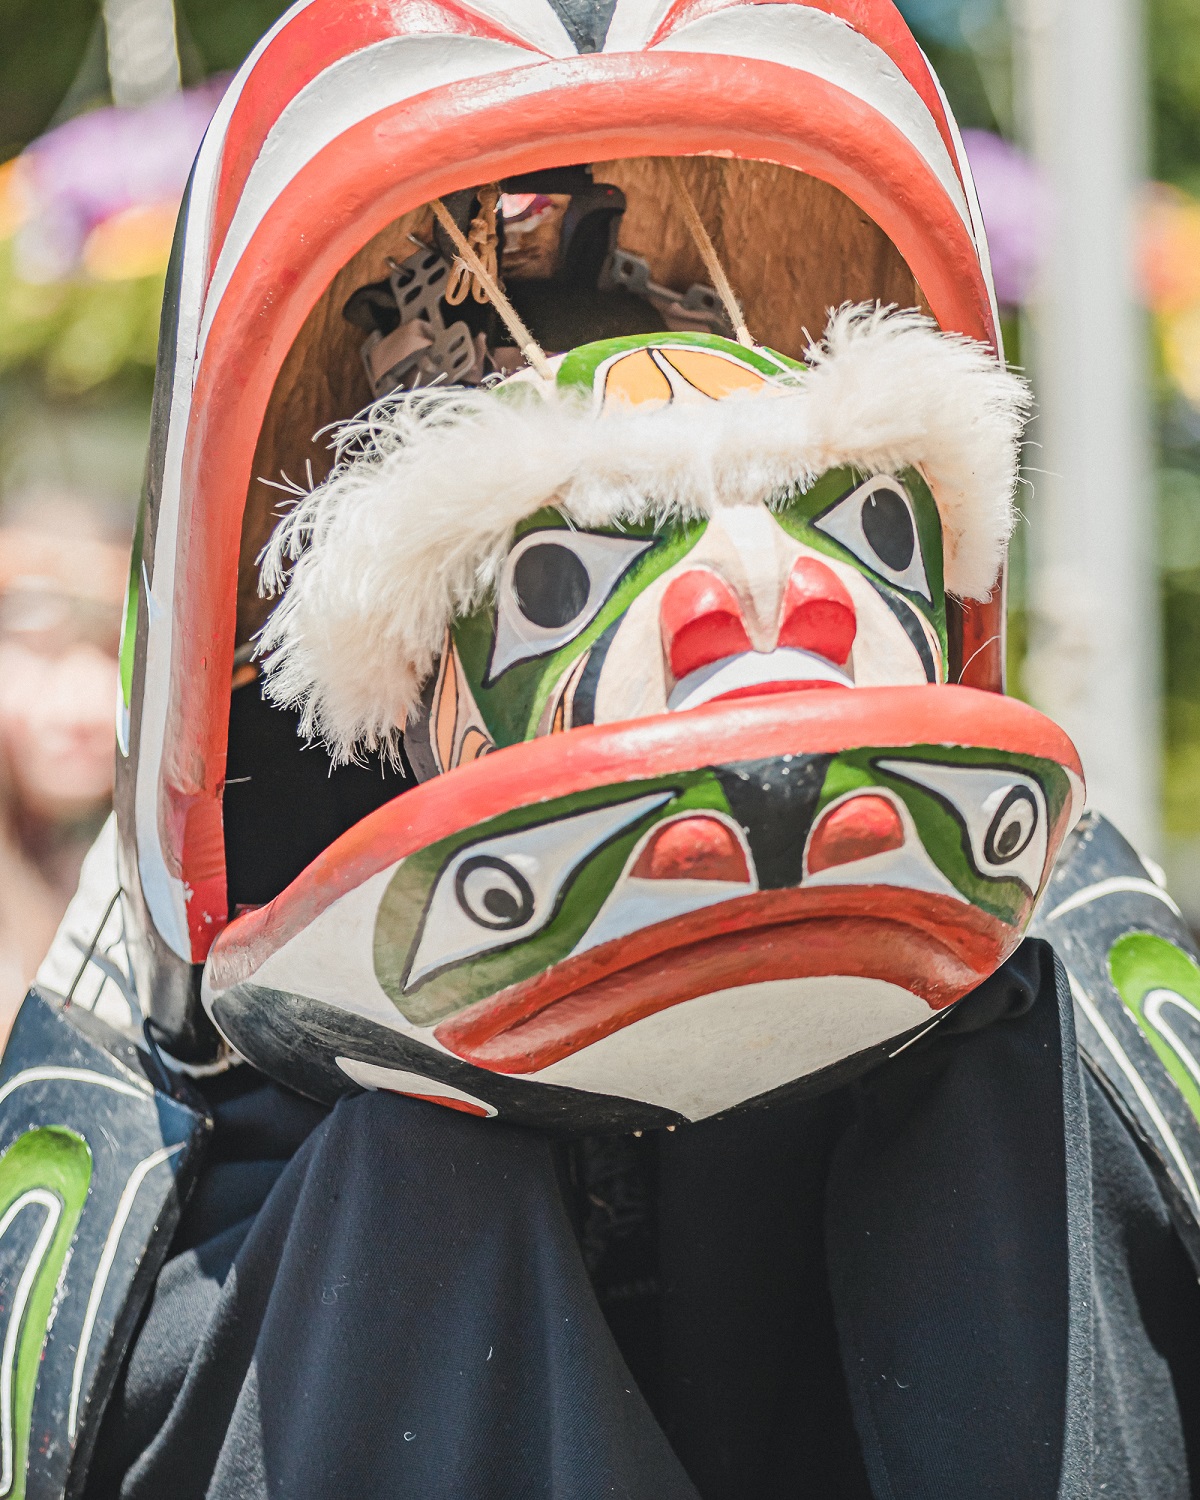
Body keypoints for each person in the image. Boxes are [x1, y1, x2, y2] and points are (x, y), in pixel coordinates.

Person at [5, 3, 1200, 1498]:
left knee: (992, 1068)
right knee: (413, 1175)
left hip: (857, 1202)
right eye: (571, 562)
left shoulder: (1020, 1028)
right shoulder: (333, 1171)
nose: (756, 597)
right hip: (392, 1167)